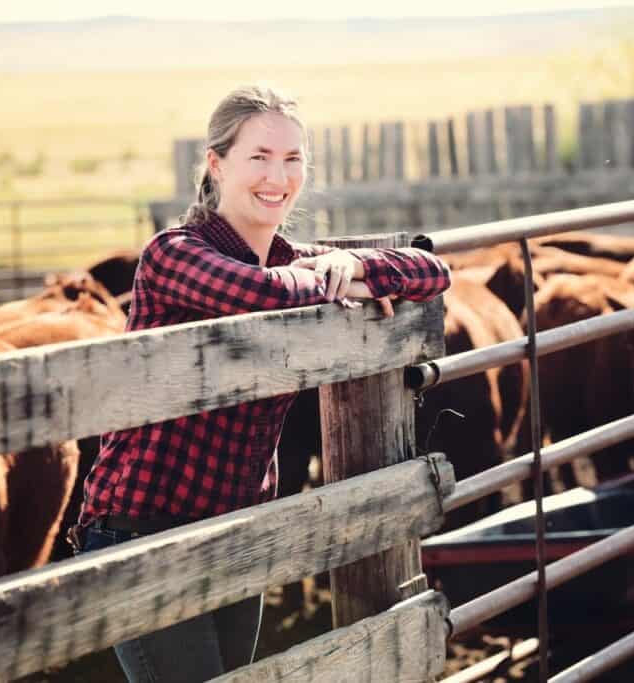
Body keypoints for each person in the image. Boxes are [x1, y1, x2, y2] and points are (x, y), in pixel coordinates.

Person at [70, 84, 451, 683]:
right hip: (145, 527)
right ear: (216, 164)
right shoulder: (173, 254)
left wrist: (352, 266)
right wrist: (338, 282)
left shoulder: (292, 257)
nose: (279, 176)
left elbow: (433, 271)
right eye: (260, 157)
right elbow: (262, 295)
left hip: (237, 526)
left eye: (293, 159)